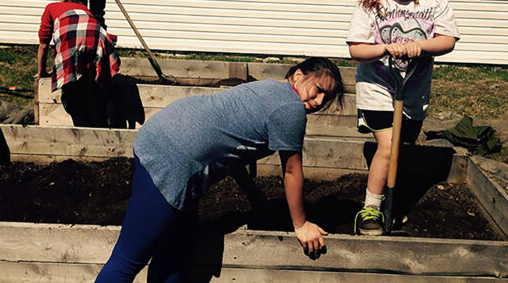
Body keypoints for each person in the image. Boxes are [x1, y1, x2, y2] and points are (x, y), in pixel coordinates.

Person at [96, 57, 344, 282]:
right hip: (173, 158)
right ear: (299, 76)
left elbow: (229, 150)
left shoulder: (267, 88)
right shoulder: (291, 108)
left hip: (165, 134)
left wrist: (254, 195)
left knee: (178, 243)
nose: (320, 101)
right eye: (319, 89)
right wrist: (300, 225)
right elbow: (291, 171)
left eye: (327, 98)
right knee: (127, 261)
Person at [347, 0, 460, 236]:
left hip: (413, 92)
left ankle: (392, 201)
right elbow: (356, 49)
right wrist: (386, 47)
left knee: (400, 147)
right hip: (377, 87)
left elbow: (447, 40)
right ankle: (371, 207)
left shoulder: (434, 3)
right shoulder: (372, 4)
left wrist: (418, 45)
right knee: (388, 146)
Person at [35, 0, 120, 128]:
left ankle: (81, 121)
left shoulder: (51, 7)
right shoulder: (83, 9)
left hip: (69, 32)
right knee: (94, 78)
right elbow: (86, 38)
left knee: (71, 85)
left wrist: (41, 72)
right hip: (96, 31)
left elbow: (43, 45)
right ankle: (100, 118)